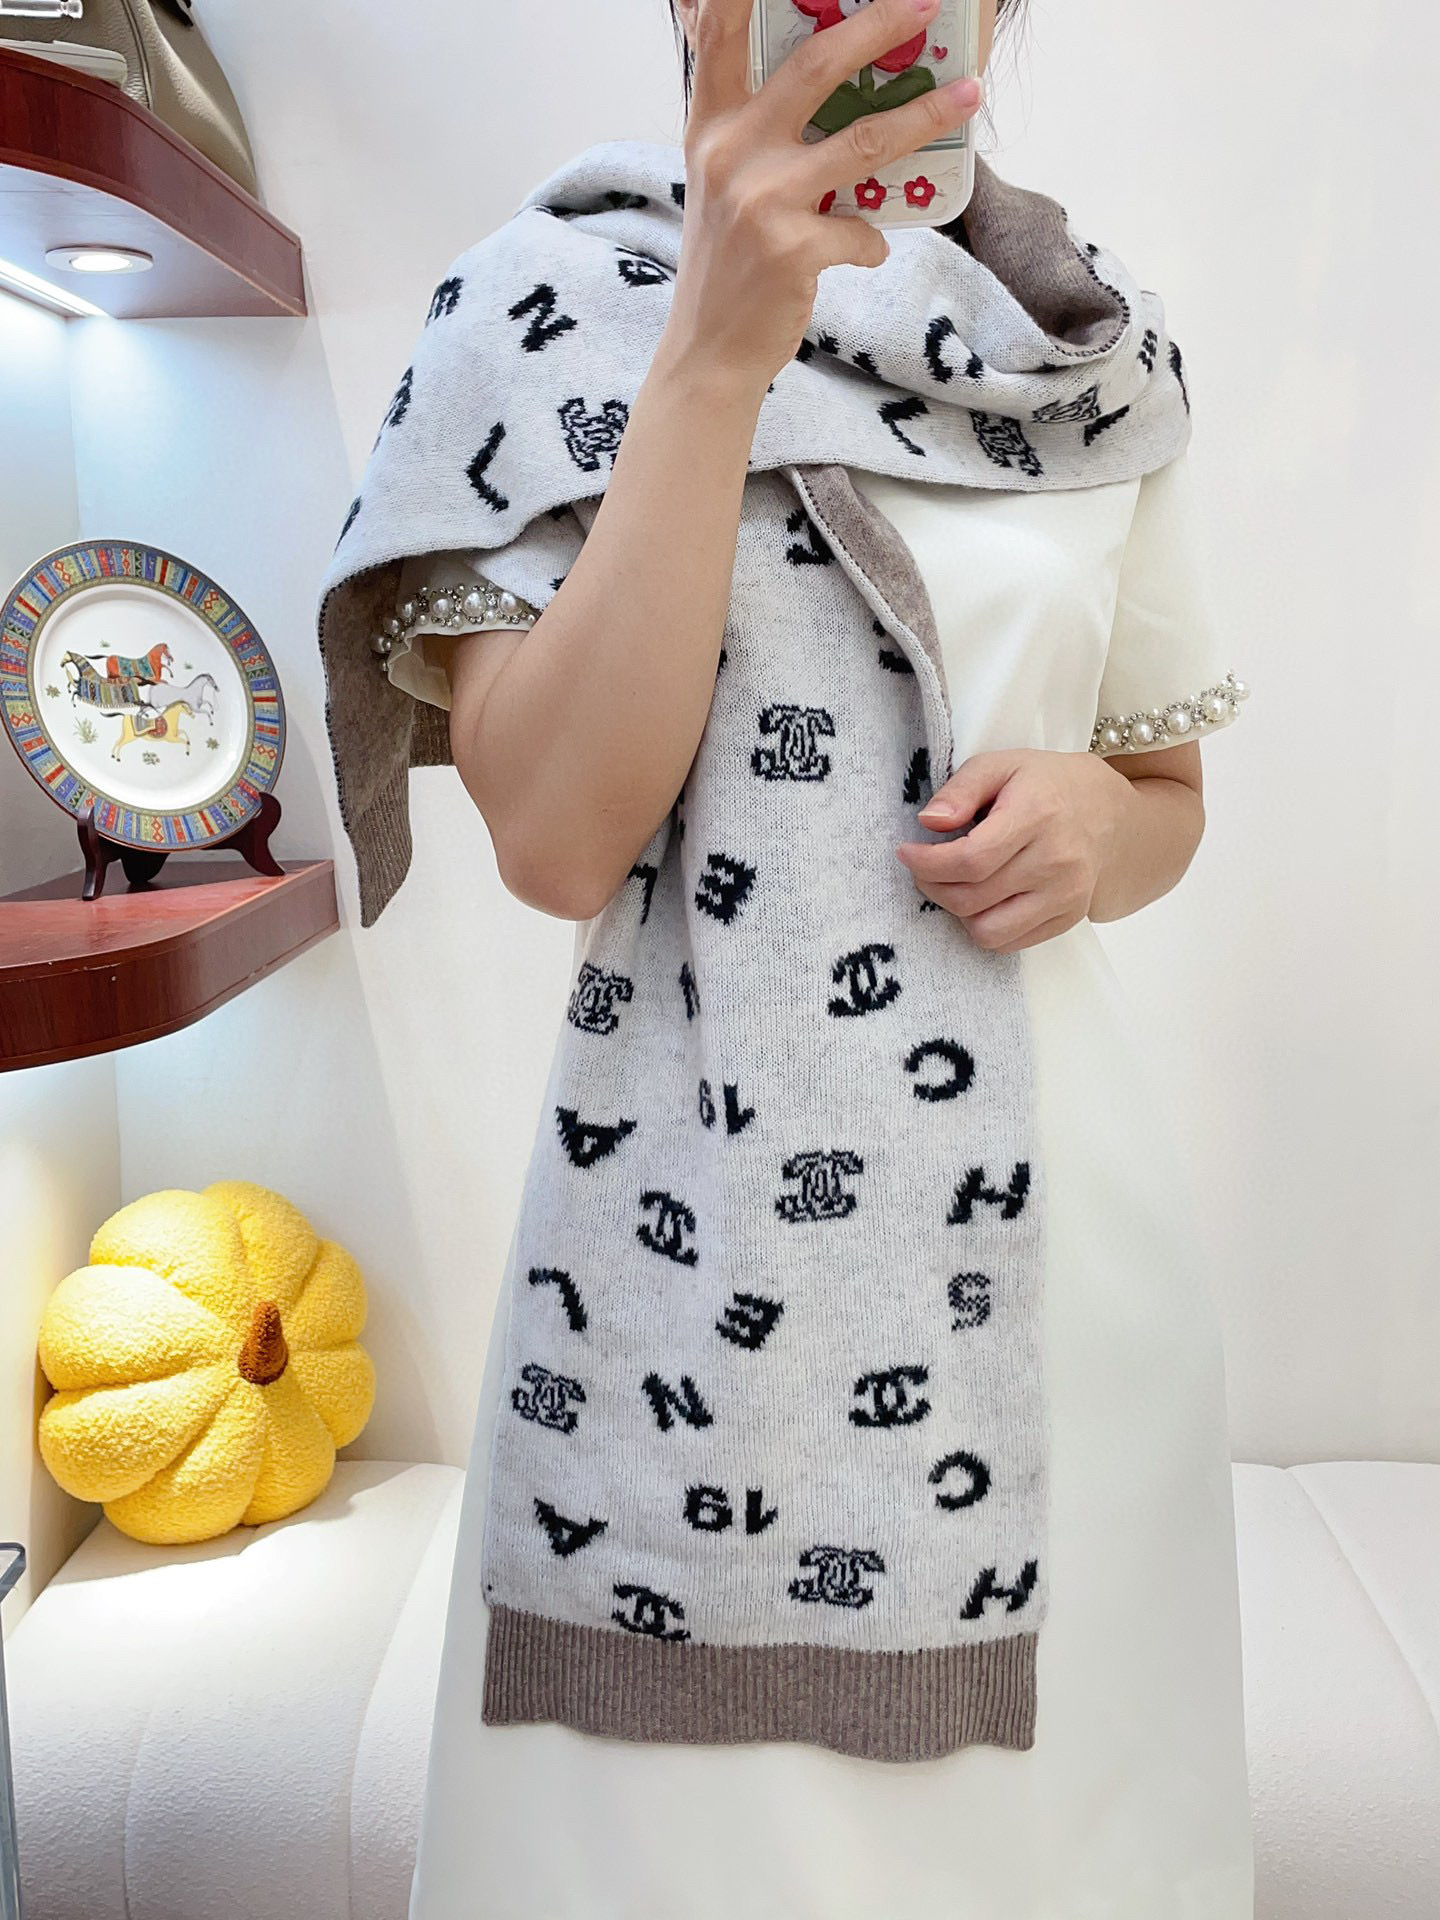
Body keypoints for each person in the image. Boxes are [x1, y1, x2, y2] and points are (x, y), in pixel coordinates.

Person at [317, 0, 1255, 1909]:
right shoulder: (541, 313)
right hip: (683, 1292)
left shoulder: (1087, 348)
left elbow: (1167, 799)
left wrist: (1100, 822)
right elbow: (556, 837)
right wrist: (713, 352)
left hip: (1056, 1290)